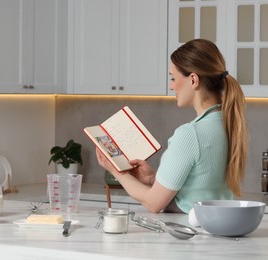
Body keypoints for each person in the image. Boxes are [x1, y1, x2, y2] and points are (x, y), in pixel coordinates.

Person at [96, 38, 248, 214]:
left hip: (190, 235)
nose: (171, 85)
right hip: (214, 231)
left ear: (193, 80)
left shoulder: (190, 134)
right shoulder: (228, 124)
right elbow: (199, 187)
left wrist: (116, 170)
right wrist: (154, 179)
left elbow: (154, 203)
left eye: (173, 78)